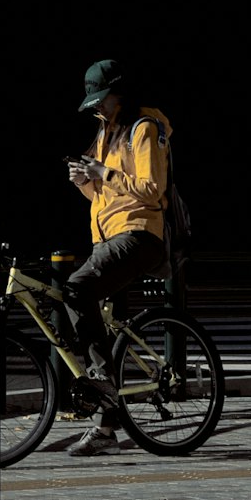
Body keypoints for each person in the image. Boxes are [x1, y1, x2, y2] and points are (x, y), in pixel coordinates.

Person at [59, 59, 172, 454]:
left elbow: (151, 188)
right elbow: (106, 199)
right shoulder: (106, 132)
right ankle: (106, 431)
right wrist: (85, 183)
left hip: (138, 235)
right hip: (107, 238)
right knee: (104, 328)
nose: (97, 108)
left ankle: (100, 377)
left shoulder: (143, 128)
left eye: (101, 100)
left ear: (120, 93)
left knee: (76, 290)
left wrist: (102, 172)